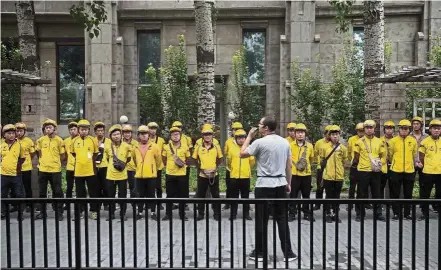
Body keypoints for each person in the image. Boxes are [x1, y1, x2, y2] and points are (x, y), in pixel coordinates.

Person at [240, 116, 297, 262]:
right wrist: (288, 183)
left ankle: (260, 253)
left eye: (260, 124)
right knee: (282, 219)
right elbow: (289, 165)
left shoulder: (259, 142)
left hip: (264, 184)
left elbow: (242, 153)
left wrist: (249, 137)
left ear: (265, 128)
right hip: (280, 183)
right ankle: (288, 253)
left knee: (261, 220)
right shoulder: (285, 142)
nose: (258, 126)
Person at [352, 120, 386, 222]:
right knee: (361, 193)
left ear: (374, 129)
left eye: (371, 127)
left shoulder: (380, 141)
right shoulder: (359, 142)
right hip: (363, 170)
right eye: (367, 128)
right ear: (364, 129)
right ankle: (360, 214)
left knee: (377, 193)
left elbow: (382, 155)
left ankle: (378, 214)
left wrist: (378, 164)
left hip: (375, 171)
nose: (369, 129)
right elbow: (356, 157)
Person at [35, 119, 65, 221]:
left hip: (55, 170)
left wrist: (55, 163)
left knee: (57, 191)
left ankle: (59, 212)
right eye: (46, 128)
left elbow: (62, 155)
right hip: (43, 170)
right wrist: (43, 161)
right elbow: (38, 152)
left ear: (54, 129)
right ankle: (42, 213)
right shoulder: (41, 140)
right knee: (42, 192)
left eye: (50, 127)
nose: (48, 129)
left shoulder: (59, 140)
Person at [388, 119, 418, 220]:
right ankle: (396, 213)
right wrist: (396, 163)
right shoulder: (393, 141)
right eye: (402, 128)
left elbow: (414, 155)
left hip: (409, 170)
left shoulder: (413, 141)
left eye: (406, 128)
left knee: (408, 193)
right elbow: (390, 155)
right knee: (395, 193)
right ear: (399, 129)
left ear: (409, 130)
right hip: (396, 170)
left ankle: (407, 214)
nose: (404, 130)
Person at [193, 126, 223, 221]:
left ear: (212, 136)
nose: (207, 136)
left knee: (216, 195)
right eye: (205, 134)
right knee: (201, 195)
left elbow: (220, 159)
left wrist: (215, 168)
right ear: (202, 136)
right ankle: (201, 214)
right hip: (202, 175)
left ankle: (217, 214)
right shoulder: (198, 147)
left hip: (214, 175)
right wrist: (201, 169)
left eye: (209, 134)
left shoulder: (216, 147)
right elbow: (194, 159)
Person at [132, 125, 163, 221]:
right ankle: (140, 212)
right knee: (140, 195)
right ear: (138, 135)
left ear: (149, 135)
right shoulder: (135, 147)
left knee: (151, 194)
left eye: (145, 134)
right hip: (139, 175)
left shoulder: (154, 146)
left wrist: (153, 169)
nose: (144, 136)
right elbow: (134, 159)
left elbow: (158, 160)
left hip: (151, 175)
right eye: (142, 134)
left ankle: (153, 212)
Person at [70, 120, 99, 220]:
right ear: (78, 130)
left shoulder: (93, 140)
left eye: (86, 129)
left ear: (88, 130)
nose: (83, 131)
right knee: (79, 193)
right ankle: (80, 212)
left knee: (93, 192)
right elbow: (73, 153)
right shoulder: (74, 141)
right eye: (82, 129)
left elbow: (96, 154)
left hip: (90, 171)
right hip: (78, 171)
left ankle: (93, 211)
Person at [162, 126, 191, 221]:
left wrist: (183, 165)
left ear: (180, 136)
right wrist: (168, 165)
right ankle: (168, 214)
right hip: (170, 174)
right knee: (169, 195)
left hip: (182, 174)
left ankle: (182, 214)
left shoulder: (185, 147)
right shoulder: (166, 147)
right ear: (170, 136)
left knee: (182, 195)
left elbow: (188, 159)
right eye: (173, 134)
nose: (175, 136)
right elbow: (164, 159)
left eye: (177, 134)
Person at [288, 123, 315, 222]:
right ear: (295, 134)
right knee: (293, 195)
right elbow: (288, 159)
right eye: (298, 132)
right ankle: (292, 213)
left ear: (305, 134)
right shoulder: (290, 145)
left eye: (302, 132)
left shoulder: (310, 146)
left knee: (306, 195)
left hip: (306, 175)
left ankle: (306, 213)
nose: (300, 134)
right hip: (294, 175)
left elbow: (311, 159)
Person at [104, 125, 132, 221]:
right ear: (111, 136)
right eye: (114, 134)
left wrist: (121, 165)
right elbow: (107, 159)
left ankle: (122, 214)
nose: (116, 136)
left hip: (122, 175)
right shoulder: (107, 146)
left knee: (122, 195)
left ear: (121, 135)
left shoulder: (127, 146)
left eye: (118, 134)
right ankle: (111, 214)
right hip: (110, 175)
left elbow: (128, 158)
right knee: (110, 195)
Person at [321, 125, 348, 223]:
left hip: (339, 176)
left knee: (337, 196)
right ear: (329, 136)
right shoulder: (325, 147)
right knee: (328, 195)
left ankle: (335, 214)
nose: (335, 136)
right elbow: (322, 159)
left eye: (336, 134)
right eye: (333, 134)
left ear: (339, 135)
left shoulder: (343, 148)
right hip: (328, 176)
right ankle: (327, 214)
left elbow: (345, 160)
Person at [227, 129, 254, 220]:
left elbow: (252, 162)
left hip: (245, 176)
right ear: (236, 139)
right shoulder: (231, 148)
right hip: (234, 176)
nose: (241, 140)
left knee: (245, 196)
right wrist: (234, 169)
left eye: (243, 138)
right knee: (233, 197)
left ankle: (246, 214)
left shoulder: (249, 148)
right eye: (239, 138)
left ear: (245, 138)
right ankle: (233, 214)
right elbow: (228, 162)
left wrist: (246, 169)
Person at [1, 124, 26, 221]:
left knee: (19, 194)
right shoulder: (1, 145)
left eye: (12, 133)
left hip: (16, 175)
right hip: (3, 174)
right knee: (2, 194)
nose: (11, 135)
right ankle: (3, 212)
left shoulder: (19, 145)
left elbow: (23, 158)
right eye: (9, 133)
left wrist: (17, 167)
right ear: (4, 135)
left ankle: (20, 213)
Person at [418, 119, 441, 220]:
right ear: (430, 130)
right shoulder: (425, 141)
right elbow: (421, 156)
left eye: (438, 129)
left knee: (439, 193)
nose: (436, 130)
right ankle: (425, 213)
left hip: (440, 172)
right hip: (428, 172)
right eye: (434, 128)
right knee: (425, 193)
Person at [171, 121, 193, 211]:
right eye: (176, 126)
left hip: (184, 166)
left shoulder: (187, 138)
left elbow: (190, 151)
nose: (178, 128)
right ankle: (174, 202)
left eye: (179, 126)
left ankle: (185, 203)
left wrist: (187, 163)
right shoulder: (170, 140)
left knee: (184, 185)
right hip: (173, 167)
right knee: (174, 186)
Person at [15, 122, 35, 212]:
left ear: (24, 131)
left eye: (21, 131)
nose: (19, 133)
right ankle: (16, 205)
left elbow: (32, 154)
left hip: (26, 167)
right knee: (16, 187)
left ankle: (29, 205)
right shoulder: (13, 140)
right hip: (15, 168)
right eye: (17, 131)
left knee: (27, 186)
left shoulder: (29, 141)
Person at [223, 121, 244, 211]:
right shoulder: (228, 142)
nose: (236, 131)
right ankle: (228, 203)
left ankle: (246, 206)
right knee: (230, 187)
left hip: (242, 169)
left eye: (238, 129)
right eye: (234, 129)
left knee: (244, 190)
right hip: (231, 168)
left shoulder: (245, 141)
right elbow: (226, 154)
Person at [147, 122, 166, 209]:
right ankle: (150, 202)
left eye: (154, 128)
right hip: (148, 166)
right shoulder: (145, 140)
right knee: (148, 186)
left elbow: (164, 153)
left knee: (158, 185)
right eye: (151, 128)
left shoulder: (161, 140)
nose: (153, 130)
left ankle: (159, 202)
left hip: (158, 166)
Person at [346, 123, 364, 211]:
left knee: (361, 187)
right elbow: (349, 152)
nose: (361, 133)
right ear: (357, 131)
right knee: (352, 186)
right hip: (355, 165)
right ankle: (350, 204)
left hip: (364, 166)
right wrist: (352, 160)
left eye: (362, 131)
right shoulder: (352, 139)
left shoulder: (366, 140)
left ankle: (359, 205)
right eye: (359, 131)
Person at [313, 125, 331, 210]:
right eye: (328, 132)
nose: (329, 134)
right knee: (319, 186)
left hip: (331, 168)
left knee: (330, 188)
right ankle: (317, 204)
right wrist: (319, 163)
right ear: (325, 133)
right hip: (321, 168)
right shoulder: (319, 142)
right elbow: (315, 154)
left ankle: (329, 205)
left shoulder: (335, 143)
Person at [94, 122, 110, 210]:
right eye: (98, 131)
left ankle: (106, 204)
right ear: (95, 132)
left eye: (101, 131)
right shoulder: (92, 140)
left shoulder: (108, 141)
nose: (100, 132)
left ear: (104, 132)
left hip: (105, 166)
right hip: (95, 167)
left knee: (106, 186)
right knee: (96, 186)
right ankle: (98, 204)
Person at [63, 122, 78, 210]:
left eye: (74, 129)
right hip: (69, 167)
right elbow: (64, 154)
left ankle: (79, 205)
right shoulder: (66, 141)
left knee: (79, 187)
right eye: (71, 129)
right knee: (69, 186)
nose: (72, 131)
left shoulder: (80, 139)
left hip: (79, 167)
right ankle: (67, 204)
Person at [122, 124, 139, 199]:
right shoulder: (120, 143)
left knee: (134, 188)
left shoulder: (136, 143)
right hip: (122, 168)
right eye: (125, 132)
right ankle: (121, 204)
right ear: (123, 134)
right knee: (122, 188)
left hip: (132, 169)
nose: (127, 134)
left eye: (128, 132)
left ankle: (135, 204)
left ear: (131, 133)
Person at [380, 121, 395, 200]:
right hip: (383, 166)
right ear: (384, 130)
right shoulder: (379, 140)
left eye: (391, 128)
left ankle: (393, 205)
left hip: (393, 166)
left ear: (393, 130)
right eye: (387, 128)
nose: (389, 130)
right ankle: (380, 205)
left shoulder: (396, 140)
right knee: (380, 186)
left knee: (393, 187)